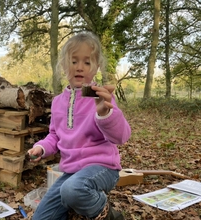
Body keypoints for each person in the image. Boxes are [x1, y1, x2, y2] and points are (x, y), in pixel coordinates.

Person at [27, 32, 131, 220]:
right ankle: (75, 205)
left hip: (103, 167)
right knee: (41, 217)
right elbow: (54, 136)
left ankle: (110, 216)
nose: (79, 67)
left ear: (96, 67)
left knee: (72, 189)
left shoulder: (100, 97)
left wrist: (104, 114)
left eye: (87, 62)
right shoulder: (58, 102)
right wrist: (41, 148)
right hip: (72, 172)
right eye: (74, 61)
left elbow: (121, 137)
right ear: (64, 65)